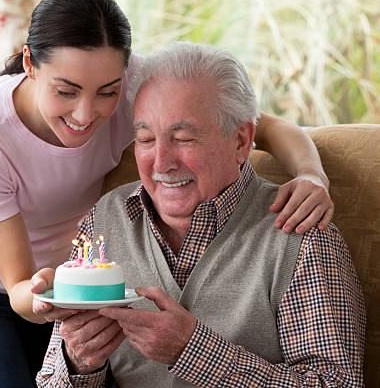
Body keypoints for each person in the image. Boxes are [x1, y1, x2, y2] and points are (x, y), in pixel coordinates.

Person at [0, 0, 335, 388]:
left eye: (108, 92)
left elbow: (263, 126)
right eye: (66, 91)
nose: (86, 114)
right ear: (30, 64)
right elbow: (20, 285)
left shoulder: (139, 83)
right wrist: (48, 302)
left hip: (75, 274)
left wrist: (311, 175)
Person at [35, 41, 365, 387]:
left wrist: (194, 351)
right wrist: (80, 364)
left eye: (183, 139)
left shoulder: (302, 236)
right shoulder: (104, 220)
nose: (161, 163)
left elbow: (337, 383)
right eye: (146, 139)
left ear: (241, 141)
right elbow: (50, 380)